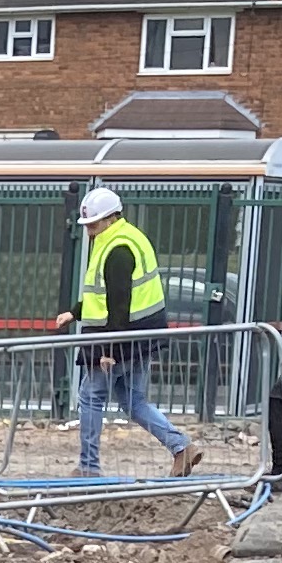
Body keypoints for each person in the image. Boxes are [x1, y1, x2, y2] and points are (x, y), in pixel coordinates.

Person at [72, 186, 202, 479]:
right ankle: (181, 447)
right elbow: (105, 294)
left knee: (90, 397)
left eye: (92, 225)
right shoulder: (130, 238)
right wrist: (75, 311)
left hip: (120, 340)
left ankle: (88, 467)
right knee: (133, 401)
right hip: (142, 339)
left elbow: (119, 303)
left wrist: (109, 350)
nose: (89, 231)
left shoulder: (116, 248)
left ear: (109, 218)